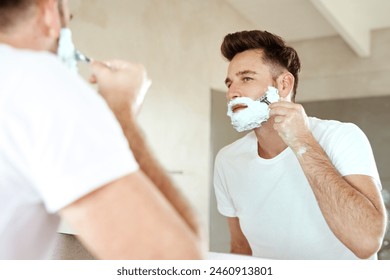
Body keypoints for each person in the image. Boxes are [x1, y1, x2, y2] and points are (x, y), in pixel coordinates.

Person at [0, 0, 202, 259]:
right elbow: (181, 266)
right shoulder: (39, 80)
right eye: (68, 20)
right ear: (50, 12)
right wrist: (121, 113)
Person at [213, 30, 387, 260]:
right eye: (229, 83)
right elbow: (240, 249)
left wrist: (302, 142)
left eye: (246, 78)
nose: (232, 92)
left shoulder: (342, 137)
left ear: (283, 85)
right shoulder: (227, 160)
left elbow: (367, 242)